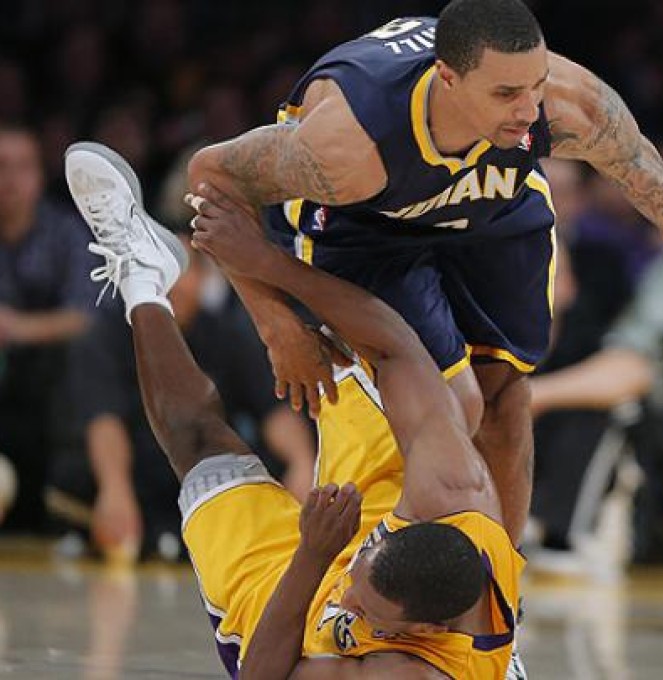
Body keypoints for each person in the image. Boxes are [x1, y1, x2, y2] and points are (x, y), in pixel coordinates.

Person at [186, 0, 663, 548]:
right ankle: (391, 596)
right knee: (457, 412)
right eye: (506, 94)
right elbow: (211, 175)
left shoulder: (566, 106)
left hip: (486, 207)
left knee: (509, 401)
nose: (529, 111)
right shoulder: (345, 145)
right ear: (446, 79)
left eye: (534, 85)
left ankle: (499, 613)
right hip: (365, 223)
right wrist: (275, 320)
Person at [66, 142, 526, 678]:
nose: (347, 584)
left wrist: (313, 557)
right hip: (399, 554)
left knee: (197, 447)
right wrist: (268, 276)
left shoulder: (397, 672)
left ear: (416, 632)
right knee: (447, 392)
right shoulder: (454, 492)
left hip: (299, 617)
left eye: (360, 602)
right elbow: (398, 346)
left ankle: (141, 273)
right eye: (361, 566)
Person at [48, 233, 316, 563]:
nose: (171, 285)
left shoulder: (230, 334)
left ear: (202, 278)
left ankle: (170, 538)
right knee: (71, 478)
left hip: (207, 473)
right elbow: (105, 419)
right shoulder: (105, 335)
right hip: (137, 471)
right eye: (158, 271)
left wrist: (302, 463)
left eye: (182, 270)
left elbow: (274, 408)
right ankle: (140, 532)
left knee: (269, 470)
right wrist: (114, 488)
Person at [0, 123, 98, 532]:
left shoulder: (66, 232)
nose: (10, 180)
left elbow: (87, 317)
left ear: (39, 175)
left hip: (48, 388)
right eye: (1, 167)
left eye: (22, 167)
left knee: (86, 359)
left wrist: (17, 328)